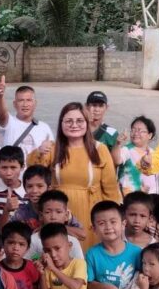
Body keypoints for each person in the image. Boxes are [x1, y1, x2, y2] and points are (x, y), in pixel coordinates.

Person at [28, 102, 120, 246]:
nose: (74, 125)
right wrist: (39, 151)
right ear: (61, 123)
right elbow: (33, 172)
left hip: (91, 213)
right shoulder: (52, 148)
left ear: (87, 123)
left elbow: (111, 189)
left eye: (79, 121)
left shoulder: (99, 149)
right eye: (69, 121)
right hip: (58, 213)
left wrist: (111, 218)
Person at [0, 78, 53, 157]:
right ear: (14, 104)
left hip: (36, 169)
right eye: (21, 100)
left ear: (35, 103)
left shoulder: (44, 127)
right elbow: (2, 113)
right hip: (13, 169)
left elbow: (52, 153)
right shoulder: (9, 122)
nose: (25, 104)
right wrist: (0, 96)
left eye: (29, 100)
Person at [117, 115, 158, 195]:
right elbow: (117, 160)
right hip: (129, 198)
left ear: (149, 135)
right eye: (133, 130)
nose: (135, 133)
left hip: (150, 198)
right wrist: (117, 144)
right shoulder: (127, 150)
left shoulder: (153, 153)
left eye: (140, 130)